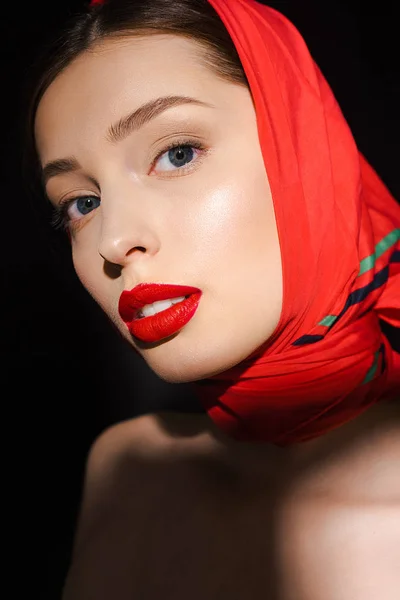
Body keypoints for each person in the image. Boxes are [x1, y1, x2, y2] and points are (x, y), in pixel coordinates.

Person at [26, 0, 399, 597]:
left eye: (177, 154)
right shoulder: (126, 470)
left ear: (305, 151)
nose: (114, 241)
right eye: (82, 203)